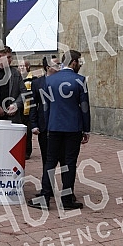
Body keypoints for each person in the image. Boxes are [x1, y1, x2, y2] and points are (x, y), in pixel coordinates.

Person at [27, 50, 90, 211]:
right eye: (79, 62)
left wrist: (46, 125)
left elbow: (46, 106)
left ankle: (45, 197)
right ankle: (67, 198)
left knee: (50, 162)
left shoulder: (50, 80)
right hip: (73, 128)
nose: (80, 65)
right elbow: (84, 107)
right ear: (73, 62)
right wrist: (86, 129)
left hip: (53, 127)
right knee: (69, 162)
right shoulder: (80, 80)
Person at [30, 55, 61, 167]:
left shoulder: (64, 82)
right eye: (56, 64)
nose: (60, 66)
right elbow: (33, 105)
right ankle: (47, 181)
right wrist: (33, 124)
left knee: (61, 156)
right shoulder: (37, 83)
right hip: (44, 125)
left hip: (60, 125)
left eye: (60, 64)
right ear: (48, 67)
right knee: (46, 158)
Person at [18, 60, 35, 159]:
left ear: (28, 67)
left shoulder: (33, 79)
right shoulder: (17, 79)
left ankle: (27, 152)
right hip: (19, 110)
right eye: (19, 66)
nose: (21, 68)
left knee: (28, 133)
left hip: (29, 110)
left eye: (23, 66)